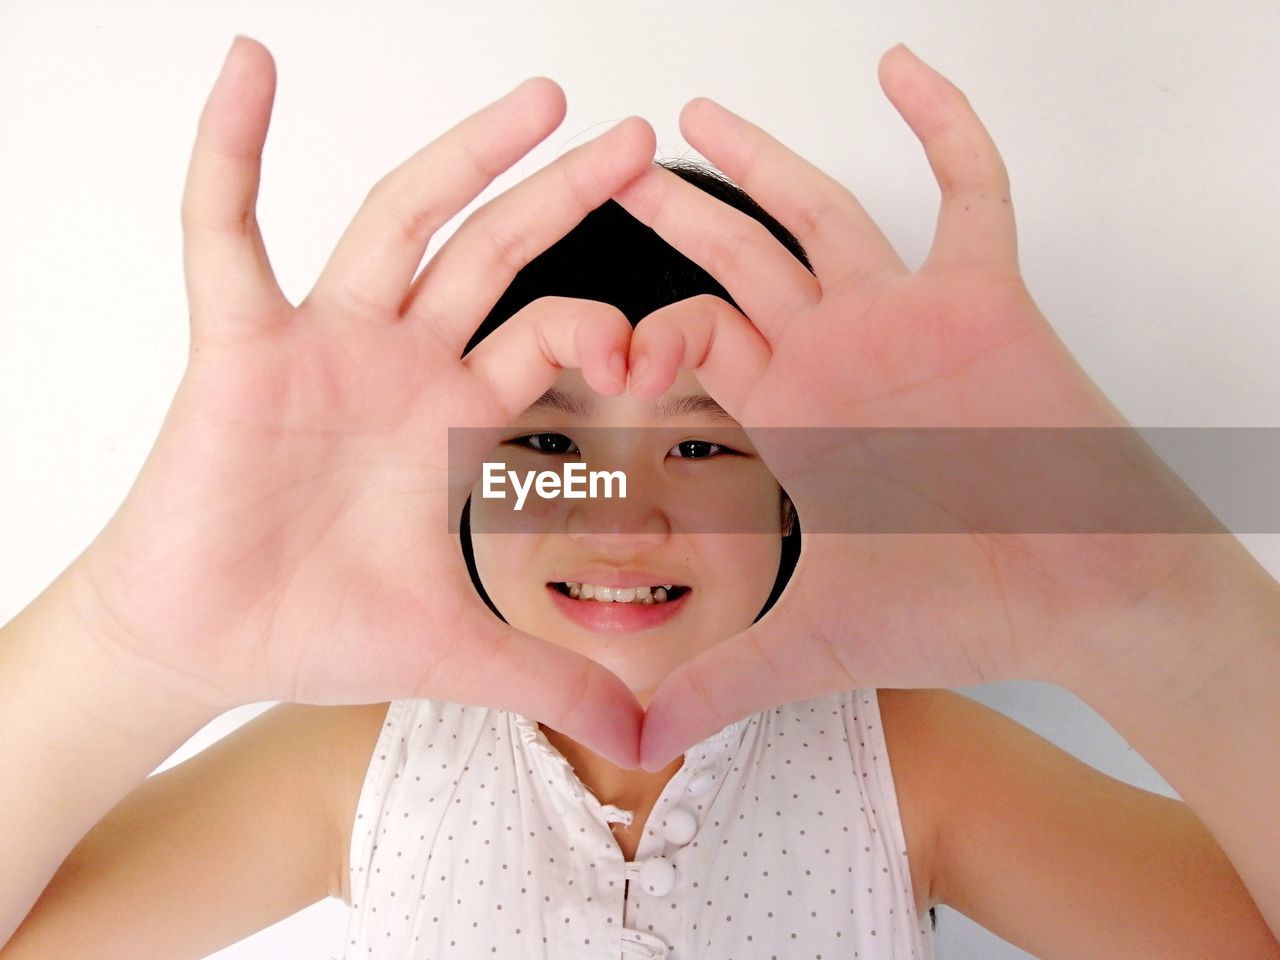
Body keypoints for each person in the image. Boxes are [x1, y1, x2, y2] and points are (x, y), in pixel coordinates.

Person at [2, 33, 1278, 960]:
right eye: (548, 451)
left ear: (801, 498)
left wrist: (1152, 599)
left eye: (707, 446)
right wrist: (128, 644)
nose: (621, 520)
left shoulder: (901, 761)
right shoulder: (364, 762)